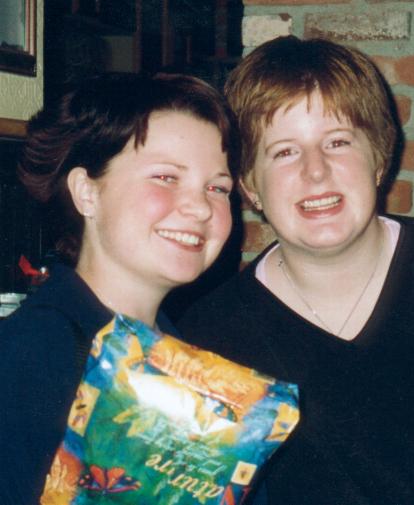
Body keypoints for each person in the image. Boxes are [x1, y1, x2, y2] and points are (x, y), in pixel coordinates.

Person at [176, 36, 414, 504]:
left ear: (379, 159)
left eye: (338, 141)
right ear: (249, 186)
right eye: (284, 151)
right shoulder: (210, 340)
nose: (316, 171)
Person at [0, 72, 238, 504]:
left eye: (217, 187)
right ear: (86, 193)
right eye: (166, 177)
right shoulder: (29, 356)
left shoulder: (201, 364)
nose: (201, 207)